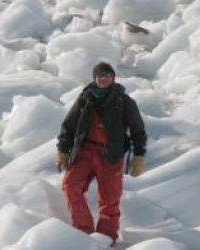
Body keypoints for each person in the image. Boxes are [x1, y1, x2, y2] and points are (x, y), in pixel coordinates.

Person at [55, 62, 147, 244]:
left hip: (110, 155)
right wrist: (62, 150)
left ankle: (106, 240)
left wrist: (138, 156)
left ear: (113, 78)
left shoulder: (125, 102)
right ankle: (83, 233)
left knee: (109, 200)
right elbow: (68, 126)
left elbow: (138, 131)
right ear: (95, 79)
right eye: (99, 75)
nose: (103, 78)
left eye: (107, 75)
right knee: (70, 186)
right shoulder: (85, 99)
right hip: (84, 151)